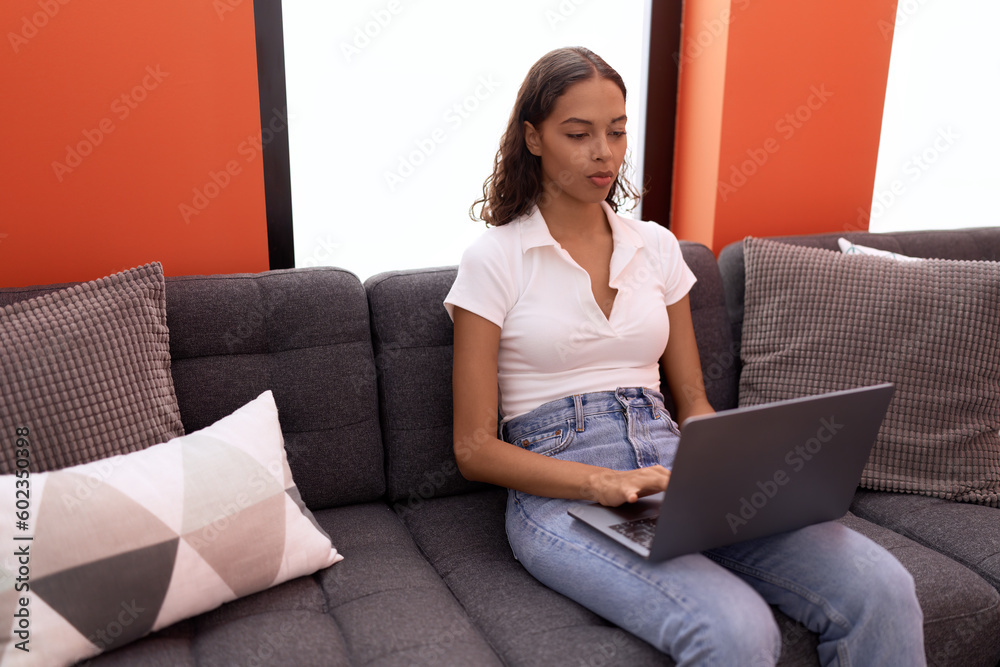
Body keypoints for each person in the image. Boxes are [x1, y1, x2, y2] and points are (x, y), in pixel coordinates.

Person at [444, 46, 925, 666]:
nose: (604, 153)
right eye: (578, 133)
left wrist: (739, 468)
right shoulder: (496, 259)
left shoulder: (658, 247)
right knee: (735, 628)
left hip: (674, 471)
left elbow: (692, 401)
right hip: (562, 487)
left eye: (616, 132)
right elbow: (473, 450)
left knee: (883, 587)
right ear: (533, 138)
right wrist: (603, 481)